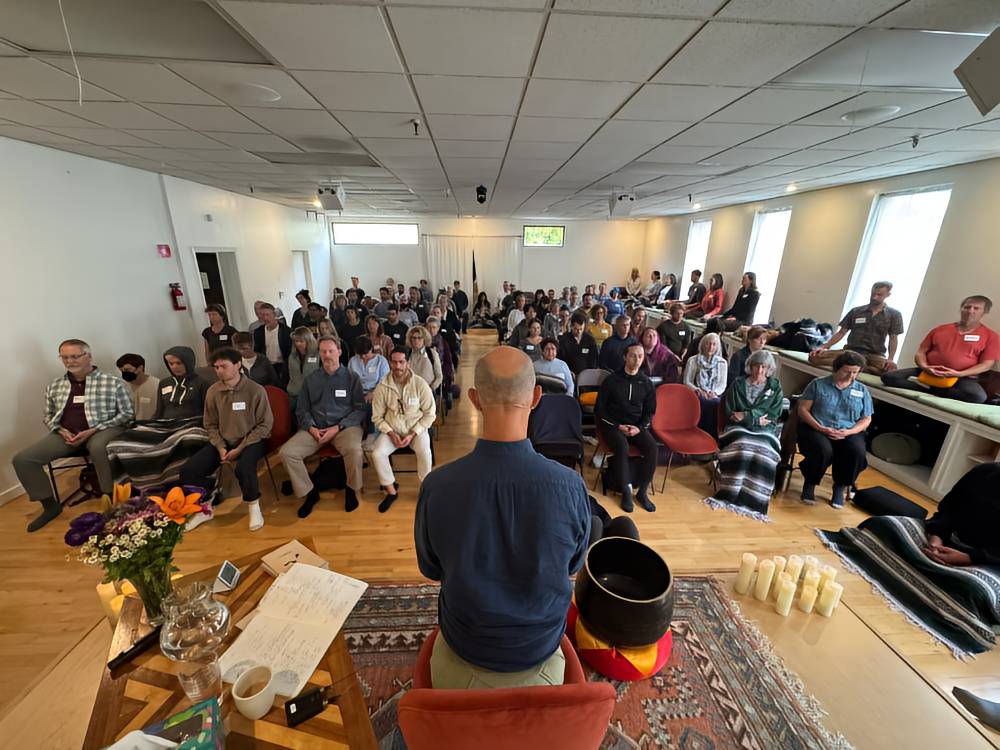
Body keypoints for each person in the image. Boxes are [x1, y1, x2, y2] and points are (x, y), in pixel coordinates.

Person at [414, 347, 592, 689]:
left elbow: (431, 569)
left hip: (463, 649)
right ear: (537, 397)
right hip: (540, 652)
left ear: (475, 399)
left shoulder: (437, 486)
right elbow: (572, 566)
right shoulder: (571, 486)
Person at [13, 339, 134, 531]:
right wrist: (60, 430)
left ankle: (111, 501)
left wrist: (94, 429)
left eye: (75, 356)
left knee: (97, 447)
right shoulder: (55, 386)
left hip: (103, 429)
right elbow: (48, 415)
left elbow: (127, 415)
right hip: (67, 434)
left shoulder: (112, 382)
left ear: (89, 356)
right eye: (65, 357)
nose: (70, 361)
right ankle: (50, 506)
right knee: (23, 459)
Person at [179, 347, 272, 531]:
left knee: (245, 468)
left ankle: (254, 506)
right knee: (189, 470)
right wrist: (221, 447)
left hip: (252, 440)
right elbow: (210, 424)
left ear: (237, 365)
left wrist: (240, 448)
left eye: (224, 366)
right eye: (216, 367)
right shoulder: (213, 392)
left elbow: (264, 425)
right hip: (223, 442)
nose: (219, 371)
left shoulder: (255, 390)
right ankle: (205, 507)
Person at [107, 346, 213, 493]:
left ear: (188, 362)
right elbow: (159, 411)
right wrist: (146, 427)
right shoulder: (164, 383)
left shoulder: (203, 383)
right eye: (170, 363)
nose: (174, 367)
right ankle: (135, 489)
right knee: (118, 443)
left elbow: (209, 412)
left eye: (178, 363)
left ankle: (182, 485)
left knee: (189, 439)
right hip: (163, 424)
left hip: (191, 423)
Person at [281, 336, 366, 516]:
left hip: (344, 427)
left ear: (339, 352)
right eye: (323, 351)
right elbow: (302, 409)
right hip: (316, 428)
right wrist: (311, 428)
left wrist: (338, 427)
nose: (327, 355)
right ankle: (310, 493)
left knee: (355, 450)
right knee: (287, 452)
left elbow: (360, 410)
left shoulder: (352, 378)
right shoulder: (311, 379)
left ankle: (351, 489)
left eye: (330, 351)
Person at [707, 350, 784, 520]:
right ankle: (731, 492)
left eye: (764, 367)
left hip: (765, 430)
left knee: (765, 450)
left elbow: (773, 413)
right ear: (750, 366)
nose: (759, 370)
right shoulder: (738, 383)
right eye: (756, 366)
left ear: (769, 368)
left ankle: (755, 498)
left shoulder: (775, 387)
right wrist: (756, 418)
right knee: (743, 444)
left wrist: (748, 417)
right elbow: (732, 412)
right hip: (736, 427)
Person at [882, 295, 997, 403]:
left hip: (961, 377)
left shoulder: (991, 336)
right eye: (967, 307)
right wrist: (925, 367)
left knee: (978, 396)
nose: (970, 310)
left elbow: (986, 364)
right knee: (889, 377)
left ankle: (932, 389)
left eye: (976, 308)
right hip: (929, 371)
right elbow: (921, 352)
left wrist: (960, 373)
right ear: (961, 309)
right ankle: (932, 389)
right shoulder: (940, 329)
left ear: (985, 311)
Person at [797, 351, 873, 508]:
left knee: (856, 451)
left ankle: (840, 486)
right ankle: (810, 482)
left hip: (848, 431)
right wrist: (820, 427)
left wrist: (849, 432)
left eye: (855, 372)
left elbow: (866, 419)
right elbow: (803, 410)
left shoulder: (862, 390)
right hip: (817, 427)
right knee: (822, 450)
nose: (850, 376)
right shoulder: (818, 384)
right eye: (847, 371)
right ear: (836, 368)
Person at [371, 348, 437, 513]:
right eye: (394, 362)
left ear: (408, 363)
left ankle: (426, 490)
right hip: (392, 430)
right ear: (389, 363)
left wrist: (413, 433)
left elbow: (430, 414)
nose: (397, 366)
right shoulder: (382, 386)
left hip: (415, 430)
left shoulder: (420, 384)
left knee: (424, 451)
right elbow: (377, 417)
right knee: (377, 453)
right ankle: (391, 491)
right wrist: (391, 433)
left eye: (401, 362)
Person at [596, 342, 658, 512]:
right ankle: (626, 491)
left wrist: (639, 427)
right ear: (625, 357)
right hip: (613, 425)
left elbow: (650, 411)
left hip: (636, 426)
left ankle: (642, 492)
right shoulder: (611, 381)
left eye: (640, 356)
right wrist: (617, 426)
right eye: (633, 356)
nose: (637, 360)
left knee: (652, 448)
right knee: (622, 447)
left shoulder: (646, 383)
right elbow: (600, 411)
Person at [810, 281, 903, 374]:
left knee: (890, 372)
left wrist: (890, 359)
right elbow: (841, 332)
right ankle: (860, 366)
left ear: (888, 295)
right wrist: (824, 346)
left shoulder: (894, 315)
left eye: (879, 295)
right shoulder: (856, 311)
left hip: (874, 355)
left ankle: (852, 366)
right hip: (850, 352)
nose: (874, 297)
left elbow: (893, 339)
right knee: (814, 357)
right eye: (873, 294)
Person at [924, 462, 1000, 566]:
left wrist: (971, 558)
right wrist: (936, 538)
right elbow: (947, 510)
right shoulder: (985, 471)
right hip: (949, 541)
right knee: (895, 526)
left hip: (989, 561)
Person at [683, 332, 727, 439]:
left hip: (714, 393)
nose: (711, 347)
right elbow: (687, 381)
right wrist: (697, 389)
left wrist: (714, 392)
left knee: (716, 403)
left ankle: (711, 437)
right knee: (702, 401)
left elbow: (722, 384)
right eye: (708, 344)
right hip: (696, 392)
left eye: (714, 344)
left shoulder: (722, 363)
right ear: (703, 344)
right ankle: (695, 433)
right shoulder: (693, 360)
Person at [253, 302, 292, 384]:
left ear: (274, 315)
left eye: (267, 315)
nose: (265, 318)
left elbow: (289, 351)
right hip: (267, 366)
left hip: (283, 366)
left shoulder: (286, 331)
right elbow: (258, 350)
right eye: (262, 315)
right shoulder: (258, 332)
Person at [286, 327, 320, 414]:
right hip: (294, 394)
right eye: (296, 341)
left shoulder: (317, 355)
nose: (298, 344)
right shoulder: (292, 356)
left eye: (301, 341)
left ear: (308, 341)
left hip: (312, 395)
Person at [117, 353, 160, 421]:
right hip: (129, 425)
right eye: (121, 371)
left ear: (140, 368)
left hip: (151, 425)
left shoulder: (157, 385)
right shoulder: (122, 386)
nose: (124, 373)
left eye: (127, 370)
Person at [348, 336, 389, 400]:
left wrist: (374, 393)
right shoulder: (353, 361)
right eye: (360, 355)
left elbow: (384, 382)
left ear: (371, 349)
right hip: (357, 394)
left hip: (377, 393)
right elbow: (349, 380)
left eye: (366, 354)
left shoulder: (381, 361)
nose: (363, 357)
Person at [407, 325, 443, 392]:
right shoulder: (406, 354)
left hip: (428, 390)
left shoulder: (432, 353)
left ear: (424, 339)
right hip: (410, 390)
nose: (416, 341)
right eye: (414, 338)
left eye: (419, 338)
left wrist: (431, 388)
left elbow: (439, 376)